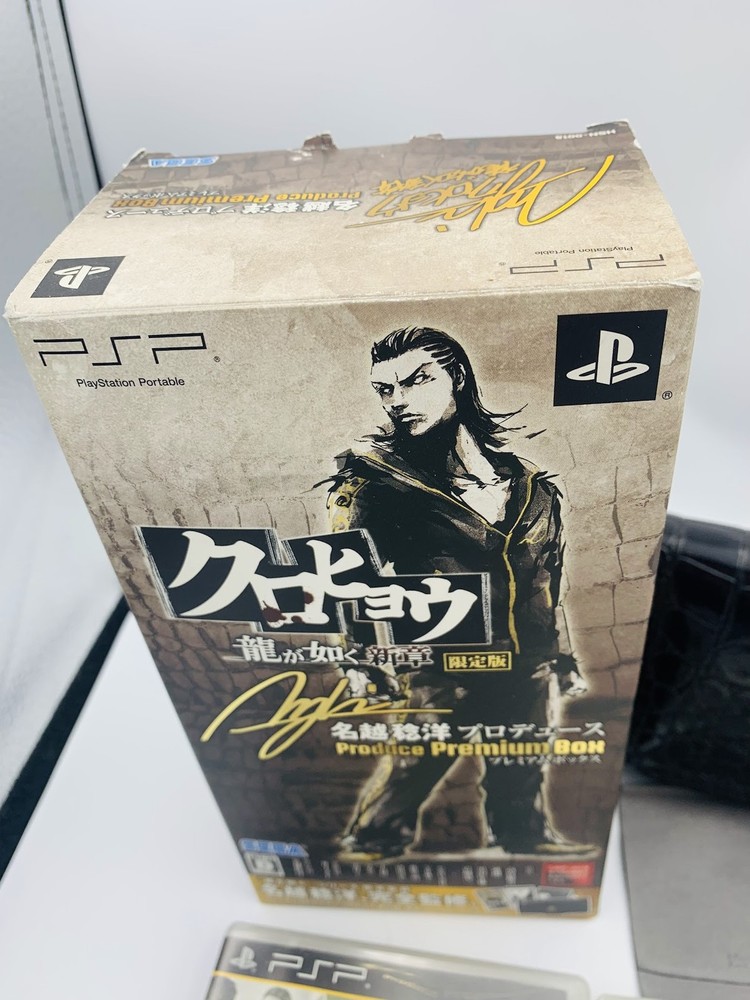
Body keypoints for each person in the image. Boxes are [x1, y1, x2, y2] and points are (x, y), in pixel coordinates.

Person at [327, 326, 589, 858]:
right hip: (445, 657)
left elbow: (548, 577)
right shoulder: (378, 483)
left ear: (458, 378)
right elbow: (346, 573)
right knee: (419, 758)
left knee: (522, 754)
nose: (398, 400)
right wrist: (359, 657)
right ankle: (372, 842)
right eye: (385, 389)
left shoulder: (531, 486)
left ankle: (523, 837)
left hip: (528, 655)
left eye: (417, 381)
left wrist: (560, 654)